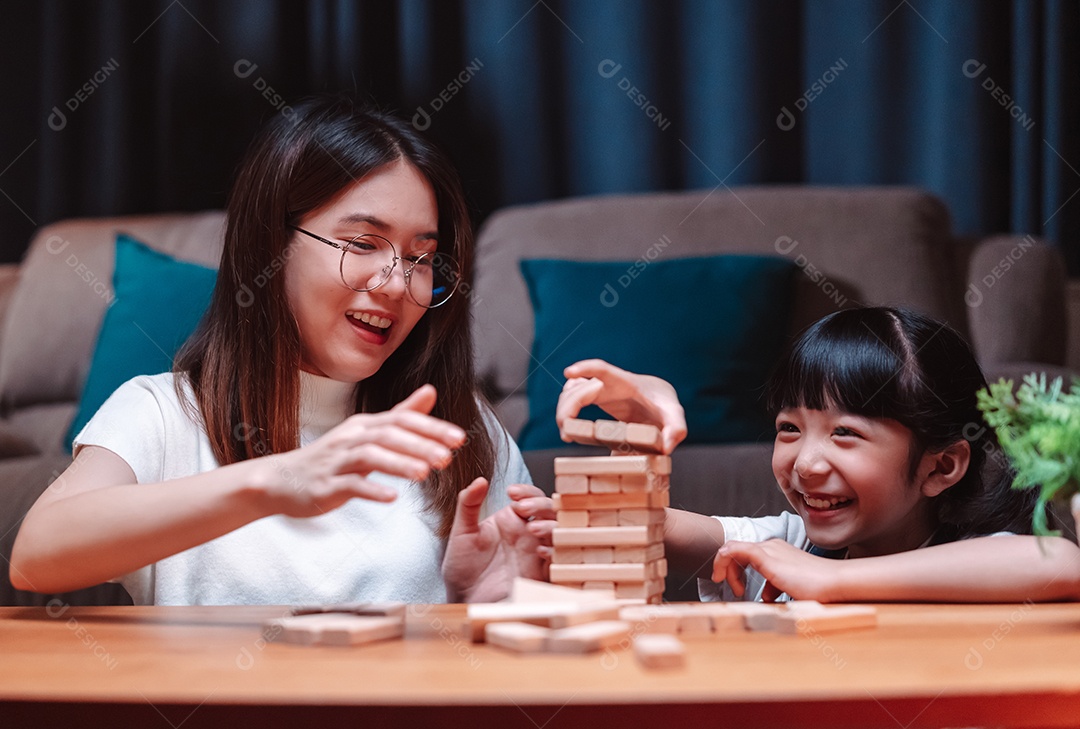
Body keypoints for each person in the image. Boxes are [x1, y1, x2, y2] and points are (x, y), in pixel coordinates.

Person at [11, 96, 554, 605]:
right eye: (363, 244)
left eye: (421, 258)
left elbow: (498, 639)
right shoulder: (163, 413)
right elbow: (35, 556)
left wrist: (481, 603)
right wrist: (273, 482)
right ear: (272, 245)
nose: (396, 284)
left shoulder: (461, 427)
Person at [556, 306, 1080, 603]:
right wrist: (640, 424)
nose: (806, 463)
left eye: (845, 433)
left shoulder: (979, 555)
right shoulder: (789, 544)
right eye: (789, 428)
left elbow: (1058, 562)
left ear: (940, 466)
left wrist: (830, 579)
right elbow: (639, 523)